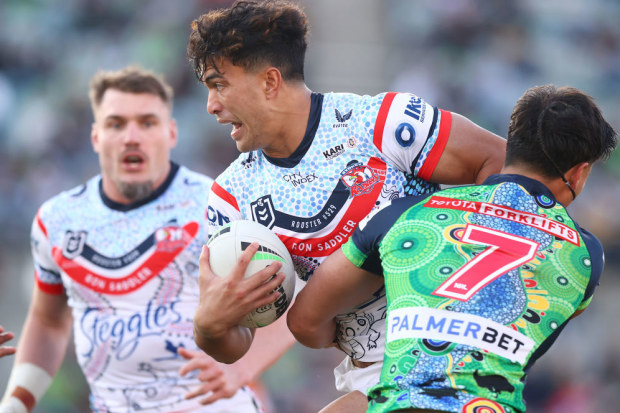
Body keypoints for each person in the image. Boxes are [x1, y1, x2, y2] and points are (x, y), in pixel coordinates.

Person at [187, 1, 506, 411]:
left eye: (219, 84)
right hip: (375, 374)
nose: (211, 104)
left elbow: (499, 166)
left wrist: (476, 277)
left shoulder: (382, 122)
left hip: (456, 344)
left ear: (269, 82)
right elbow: (236, 343)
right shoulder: (231, 197)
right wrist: (209, 326)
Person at [287, 84, 617, 412]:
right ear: (579, 174)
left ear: (512, 144)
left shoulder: (406, 214)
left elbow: (304, 321)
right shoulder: (585, 254)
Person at [0, 66, 277, 413]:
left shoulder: (218, 204)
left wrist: (244, 366)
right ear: (96, 136)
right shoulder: (55, 221)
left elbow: (282, 291)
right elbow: (48, 322)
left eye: (147, 122)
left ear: (171, 133)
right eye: (116, 124)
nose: (132, 136)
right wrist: (16, 403)